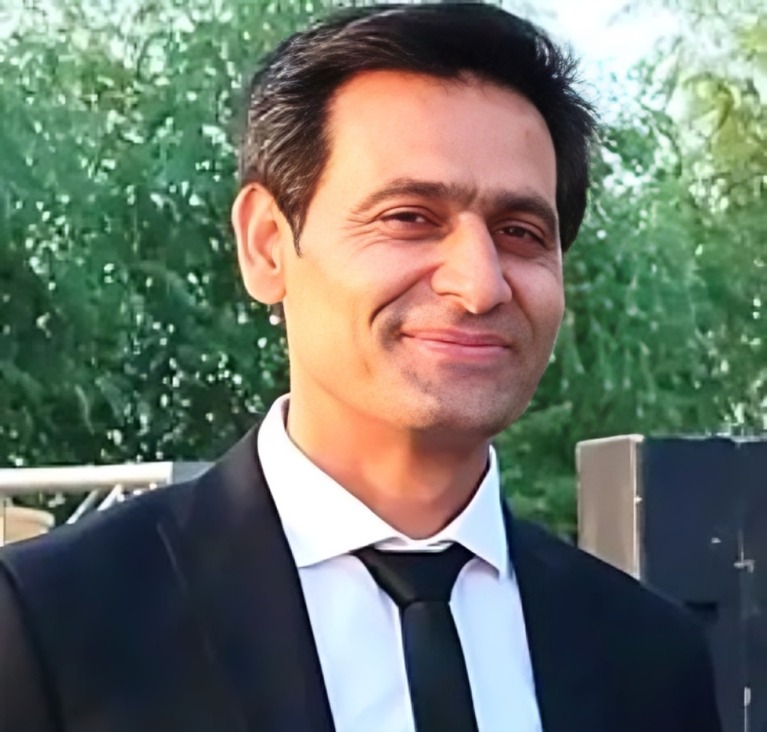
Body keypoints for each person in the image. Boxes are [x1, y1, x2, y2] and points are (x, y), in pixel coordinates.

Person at [0, 4, 722, 732]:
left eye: (519, 232)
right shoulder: (51, 625)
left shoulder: (648, 656)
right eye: (409, 218)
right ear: (267, 246)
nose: (479, 284)